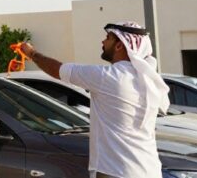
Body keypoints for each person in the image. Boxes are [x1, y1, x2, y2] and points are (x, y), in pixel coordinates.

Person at [17, 21, 170, 178]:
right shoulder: (147, 80)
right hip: (149, 169)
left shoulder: (108, 77)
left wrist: (31, 53)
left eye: (107, 38)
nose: (103, 42)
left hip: (117, 171)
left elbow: (58, 70)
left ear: (119, 46)